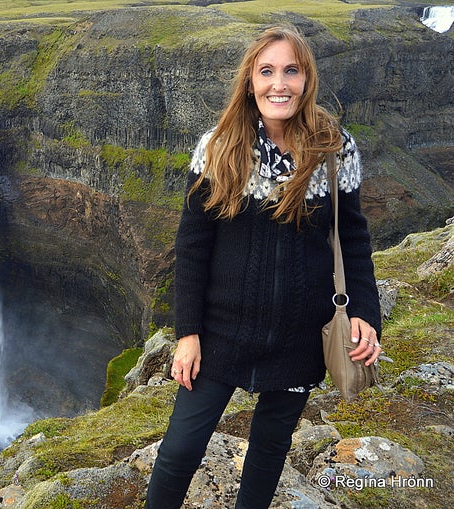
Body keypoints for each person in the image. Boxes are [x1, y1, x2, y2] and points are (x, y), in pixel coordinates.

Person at [145, 25, 383, 509]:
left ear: (306, 78)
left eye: (291, 71)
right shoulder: (218, 147)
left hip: (299, 336)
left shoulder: (335, 148)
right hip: (220, 334)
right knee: (180, 452)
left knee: (271, 448)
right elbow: (191, 247)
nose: (280, 84)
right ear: (250, 81)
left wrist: (366, 314)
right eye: (267, 71)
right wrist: (187, 332)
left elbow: (353, 238)